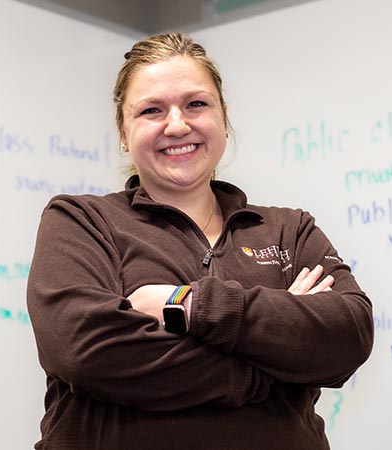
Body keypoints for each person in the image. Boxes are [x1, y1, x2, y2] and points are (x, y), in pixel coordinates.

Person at [27, 32, 374, 450]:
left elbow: (349, 334)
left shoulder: (289, 230)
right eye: (151, 110)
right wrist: (269, 364)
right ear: (123, 132)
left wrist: (188, 305)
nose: (177, 124)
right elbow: (86, 352)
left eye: (196, 104)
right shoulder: (81, 221)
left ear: (224, 117)